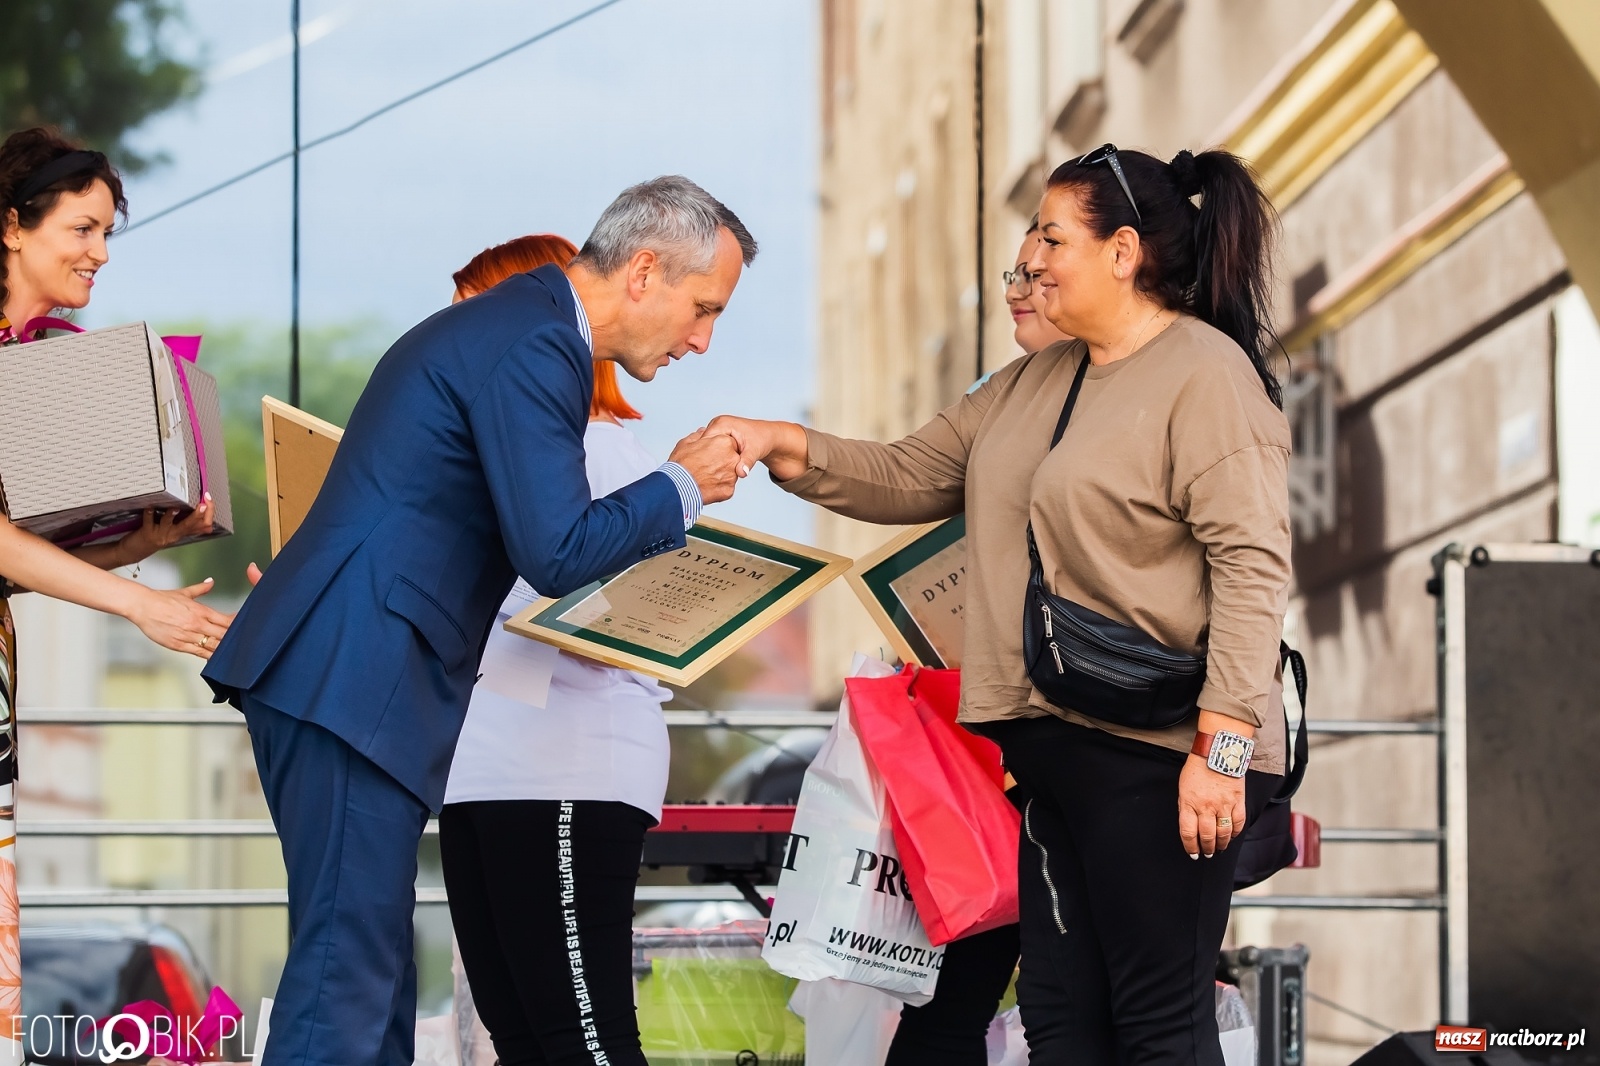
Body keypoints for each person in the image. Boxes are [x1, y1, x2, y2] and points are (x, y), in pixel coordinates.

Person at [711, 144, 1291, 1065]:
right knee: (1064, 1026)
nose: (1031, 261)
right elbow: (906, 474)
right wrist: (782, 443)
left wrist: (1220, 754)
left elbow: (1254, 568)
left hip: (1161, 757)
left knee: (1158, 1026)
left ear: (1124, 252)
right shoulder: (1036, 383)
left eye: (1052, 239)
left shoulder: (1203, 373)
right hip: (1051, 756)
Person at [204, 175, 756, 1066]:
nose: (703, 338)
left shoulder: (525, 329)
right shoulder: (539, 341)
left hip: (356, 676)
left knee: (375, 983)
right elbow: (557, 549)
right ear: (644, 270)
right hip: (359, 675)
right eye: (703, 308)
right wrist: (681, 483)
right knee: (348, 982)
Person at [0, 125, 229, 1043]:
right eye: (82, 229)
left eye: (107, 235)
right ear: (12, 226)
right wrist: (140, 604)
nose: (99, 253)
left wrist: (134, 547)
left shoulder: (21, 361)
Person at [438, 234, 671, 1066]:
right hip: (481, 770)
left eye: (474, 319)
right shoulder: (496, 449)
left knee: (583, 1040)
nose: (456, 345)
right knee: (523, 1036)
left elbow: (639, 618)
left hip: (563, 769)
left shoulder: (598, 446)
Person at [882, 218, 1074, 1066]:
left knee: (1076, 1004)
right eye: (1014, 272)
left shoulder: (1169, 387)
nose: (1014, 291)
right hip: (996, 743)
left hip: (1089, 745)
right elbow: (905, 474)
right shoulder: (1010, 392)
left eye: (1039, 274)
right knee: (966, 996)